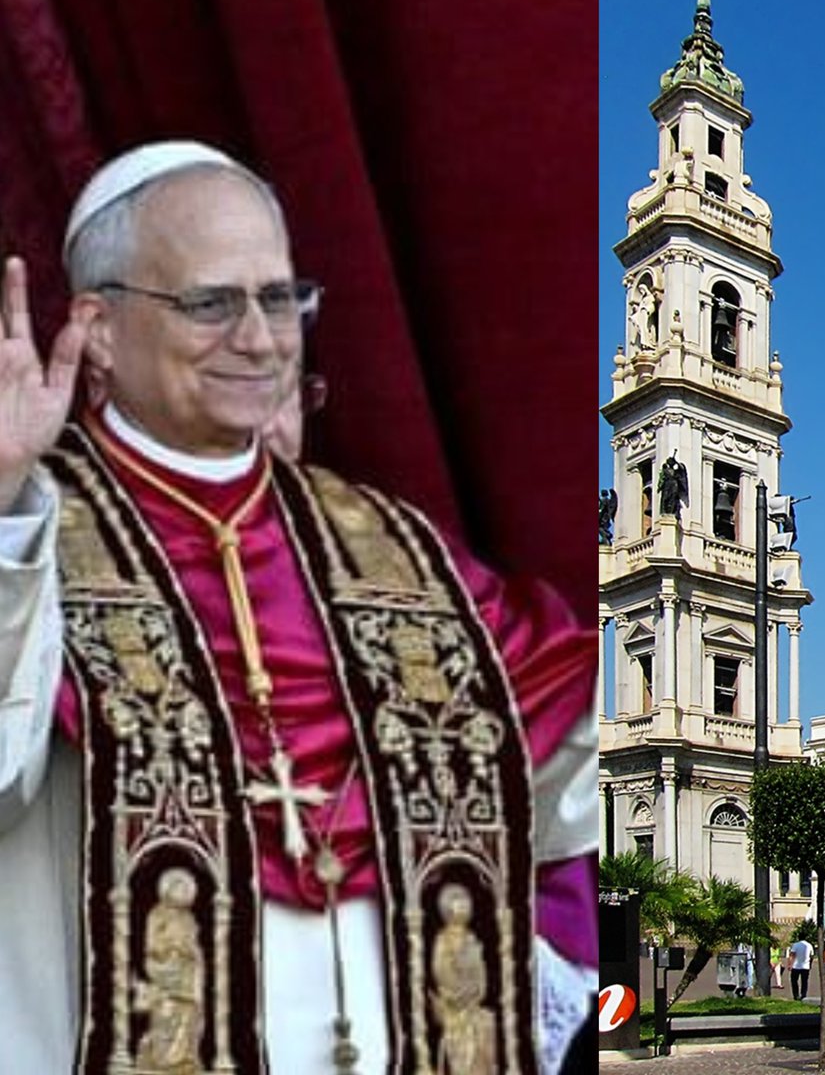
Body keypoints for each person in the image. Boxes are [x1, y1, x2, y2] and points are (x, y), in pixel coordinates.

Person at [0, 141, 597, 1074]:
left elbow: (563, 749)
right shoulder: (30, 523)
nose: (260, 338)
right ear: (101, 328)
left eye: (279, 298)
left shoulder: (389, 542)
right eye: (211, 302)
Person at [789, 933, 814, 1000]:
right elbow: (811, 956)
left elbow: (792, 955)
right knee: (804, 981)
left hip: (796, 966)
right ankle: (803, 994)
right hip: (805, 966)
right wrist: (810, 964)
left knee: (794, 981)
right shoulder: (809, 945)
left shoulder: (795, 945)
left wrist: (790, 964)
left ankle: (795, 994)